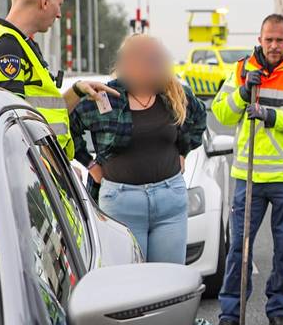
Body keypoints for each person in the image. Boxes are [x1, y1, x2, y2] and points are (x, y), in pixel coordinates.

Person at [212, 14, 283, 325]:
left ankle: (279, 310)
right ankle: (230, 314)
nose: (274, 46)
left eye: (279, 40)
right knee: (239, 249)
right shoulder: (241, 71)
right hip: (249, 179)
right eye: (268, 40)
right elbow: (221, 112)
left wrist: (269, 115)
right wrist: (244, 92)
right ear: (259, 40)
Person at [70, 34, 207, 263]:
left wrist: (183, 152)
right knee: (130, 284)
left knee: (169, 283)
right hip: (121, 203)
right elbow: (69, 127)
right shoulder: (104, 96)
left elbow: (199, 118)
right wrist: (91, 164)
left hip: (169, 199)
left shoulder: (174, 93)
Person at [0, 0, 116, 158]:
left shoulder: (19, 44)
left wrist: (77, 90)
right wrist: (47, 171)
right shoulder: (6, 49)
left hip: (41, 171)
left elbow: (43, 113)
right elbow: (13, 129)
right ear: (45, 1)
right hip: (30, 177)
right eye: (59, 4)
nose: (59, 14)